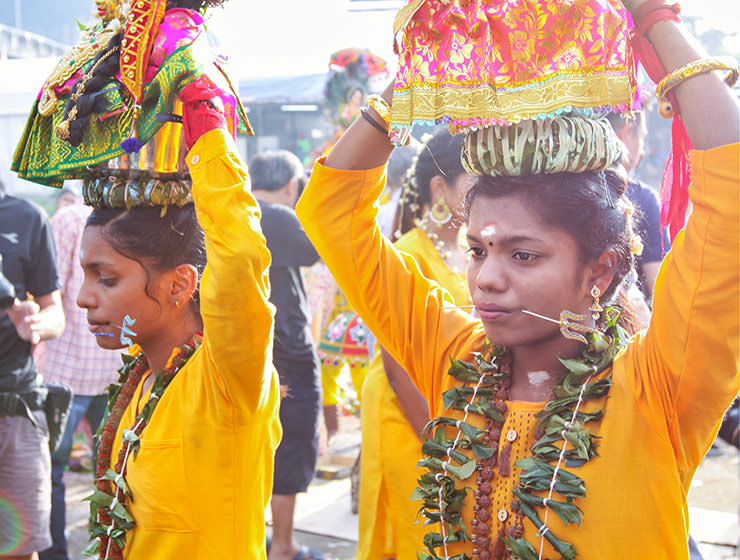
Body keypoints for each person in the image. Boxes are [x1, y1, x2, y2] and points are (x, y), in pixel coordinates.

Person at [296, 1, 740, 557]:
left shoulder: (661, 385)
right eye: (478, 250)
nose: (485, 279)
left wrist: (653, 20)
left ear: (599, 270)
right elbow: (330, 214)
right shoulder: (454, 356)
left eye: (523, 256)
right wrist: (417, 83)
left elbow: (732, 186)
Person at [12, 1, 280, 557]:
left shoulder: (229, 375)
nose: (82, 299)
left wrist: (204, 124)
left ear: (182, 283)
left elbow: (240, 253)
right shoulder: (140, 378)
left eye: (105, 278)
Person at [357, 128, 473, 560]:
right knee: (416, 526)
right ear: (440, 188)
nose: (482, 194)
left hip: (451, 406)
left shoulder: (470, 249)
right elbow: (396, 364)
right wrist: (437, 440)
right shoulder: (407, 254)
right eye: (472, 183)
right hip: (408, 408)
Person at [249, 151, 325, 560]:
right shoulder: (277, 217)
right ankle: (283, 546)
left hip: (249, 346)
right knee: (292, 442)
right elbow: (316, 250)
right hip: (287, 350)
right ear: (293, 186)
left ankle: (254, 539)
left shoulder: (237, 209)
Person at [36, 200, 121, 560]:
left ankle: (59, 553)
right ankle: (105, 550)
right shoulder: (128, 213)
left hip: (71, 371)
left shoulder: (70, 219)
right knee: (113, 477)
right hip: (110, 367)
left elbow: (50, 288)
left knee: (54, 473)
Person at [0, 178, 64, 560]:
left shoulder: (28, 218)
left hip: (17, 406)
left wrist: (37, 324)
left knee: (21, 546)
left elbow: (54, 310)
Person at [607, 97, 671, 303]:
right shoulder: (644, 198)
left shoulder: (570, 190)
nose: (642, 150)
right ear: (626, 135)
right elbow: (660, 287)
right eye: (642, 137)